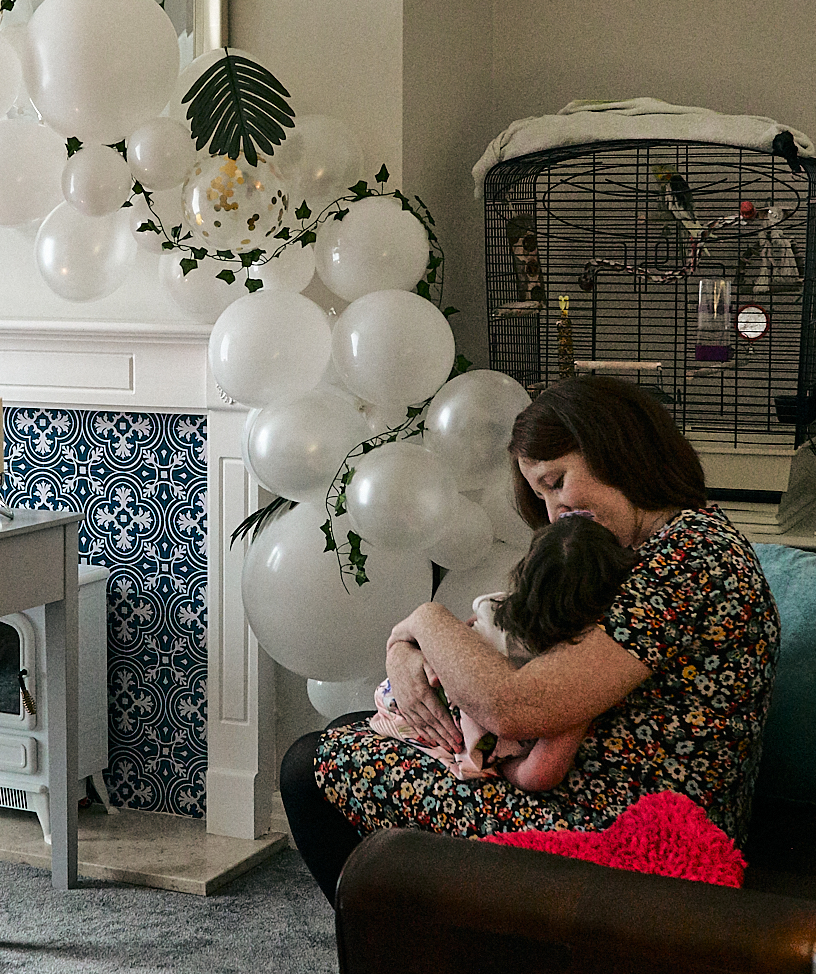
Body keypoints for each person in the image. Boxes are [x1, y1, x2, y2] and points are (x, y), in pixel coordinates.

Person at [278, 374, 780, 905]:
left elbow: (515, 708)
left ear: (617, 452)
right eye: (542, 495)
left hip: (615, 825)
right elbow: (523, 644)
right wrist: (402, 650)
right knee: (353, 730)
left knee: (308, 767)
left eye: (557, 481)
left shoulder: (690, 559)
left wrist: (424, 620)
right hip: (592, 788)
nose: (554, 513)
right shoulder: (651, 545)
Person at [368, 514, 639, 791]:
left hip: (396, 707)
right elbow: (539, 774)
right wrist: (500, 768)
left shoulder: (492, 608)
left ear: (523, 572)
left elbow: (442, 643)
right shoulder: (578, 676)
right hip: (447, 740)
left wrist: (404, 647)